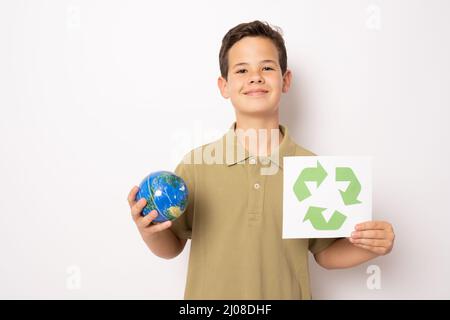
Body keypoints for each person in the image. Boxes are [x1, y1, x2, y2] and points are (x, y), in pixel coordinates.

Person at [127, 20, 395, 299]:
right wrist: (149, 231)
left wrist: (371, 245)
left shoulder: (311, 168)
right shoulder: (197, 165)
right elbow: (173, 247)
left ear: (286, 80)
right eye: (242, 70)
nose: (255, 77)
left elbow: (325, 252)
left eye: (267, 67)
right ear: (224, 86)